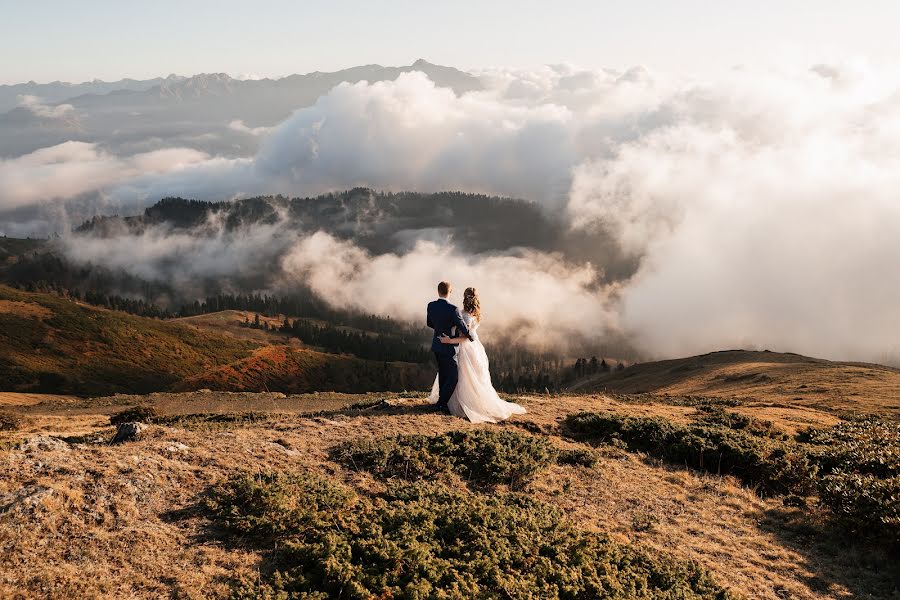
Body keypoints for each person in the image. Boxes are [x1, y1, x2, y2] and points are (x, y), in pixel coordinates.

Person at [428, 286, 527, 423]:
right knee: (459, 375)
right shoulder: (472, 313)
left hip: (464, 348)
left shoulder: (465, 315)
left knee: (459, 375)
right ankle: (447, 401)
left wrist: (449, 340)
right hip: (472, 348)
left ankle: (456, 403)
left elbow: (466, 337)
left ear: (465, 298)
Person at [426, 281, 472, 414]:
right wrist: (471, 337)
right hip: (448, 347)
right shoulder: (453, 309)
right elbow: (463, 327)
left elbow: (430, 323)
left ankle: (442, 402)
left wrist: (440, 329)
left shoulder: (431, 305)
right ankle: (441, 404)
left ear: (438, 291)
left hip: (436, 344)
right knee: (453, 377)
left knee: (443, 374)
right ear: (450, 292)